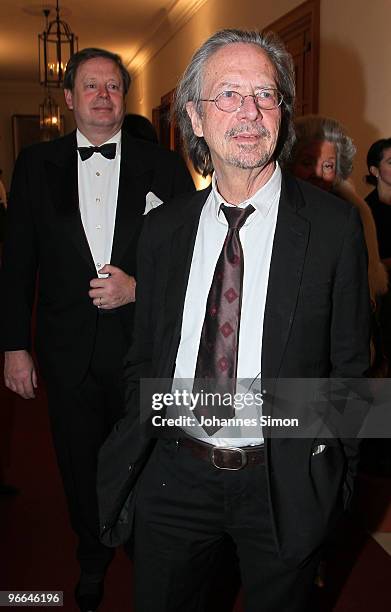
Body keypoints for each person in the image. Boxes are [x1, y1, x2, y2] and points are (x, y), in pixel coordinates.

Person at [97, 30, 370, 612]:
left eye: (264, 95)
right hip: (174, 473)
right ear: (194, 116)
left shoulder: (333, 228)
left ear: (282, 114)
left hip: (283, 479)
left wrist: (334, 484)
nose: (249, 111)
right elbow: (144, 356)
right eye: (228, 94)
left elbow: (351, 370)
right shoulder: (165, 230)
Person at [0, 47, 194, 612]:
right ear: (69, 99)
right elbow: (17, 263)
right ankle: (92, 556)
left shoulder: (161, 165)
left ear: (124, 96)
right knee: (78, 463)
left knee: (149, 455)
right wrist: (14, 346)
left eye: (113, 86)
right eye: (91, 86)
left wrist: (138, 288)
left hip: (144, 349)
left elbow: (192, 257)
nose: (104, 96)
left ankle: (142, 546)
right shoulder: (37, 165)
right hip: (67, 353)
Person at [289, 115, 388, 302]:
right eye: (307, 163)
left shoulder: (349, 216)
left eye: (328, 166)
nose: (317, 173)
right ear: (290, 163)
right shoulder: (275, 212)